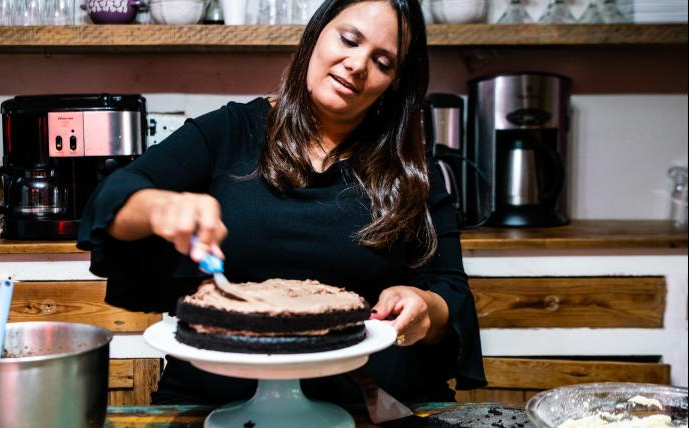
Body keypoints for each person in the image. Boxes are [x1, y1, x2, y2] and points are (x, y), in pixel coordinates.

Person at [77, 0, 486, 405]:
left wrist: (426, 307)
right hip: (214, 398)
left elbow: (451, 292)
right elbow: (115, 195)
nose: (357, 65)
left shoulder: (411, 171)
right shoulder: (231, 132)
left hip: (369, 403)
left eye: (383, 62)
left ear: (395, 82)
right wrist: (159, 207)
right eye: (348, 40)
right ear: (316, 34)